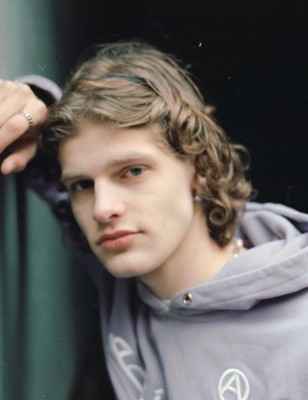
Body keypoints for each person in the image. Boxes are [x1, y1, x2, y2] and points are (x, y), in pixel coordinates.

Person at [3, 41, 308, 399]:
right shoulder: (127, 262)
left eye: (132, 171)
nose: (103, 208)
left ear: (198, 166)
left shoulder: (297, 330)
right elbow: (39, 158)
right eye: (83, 185)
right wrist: (28, 107)